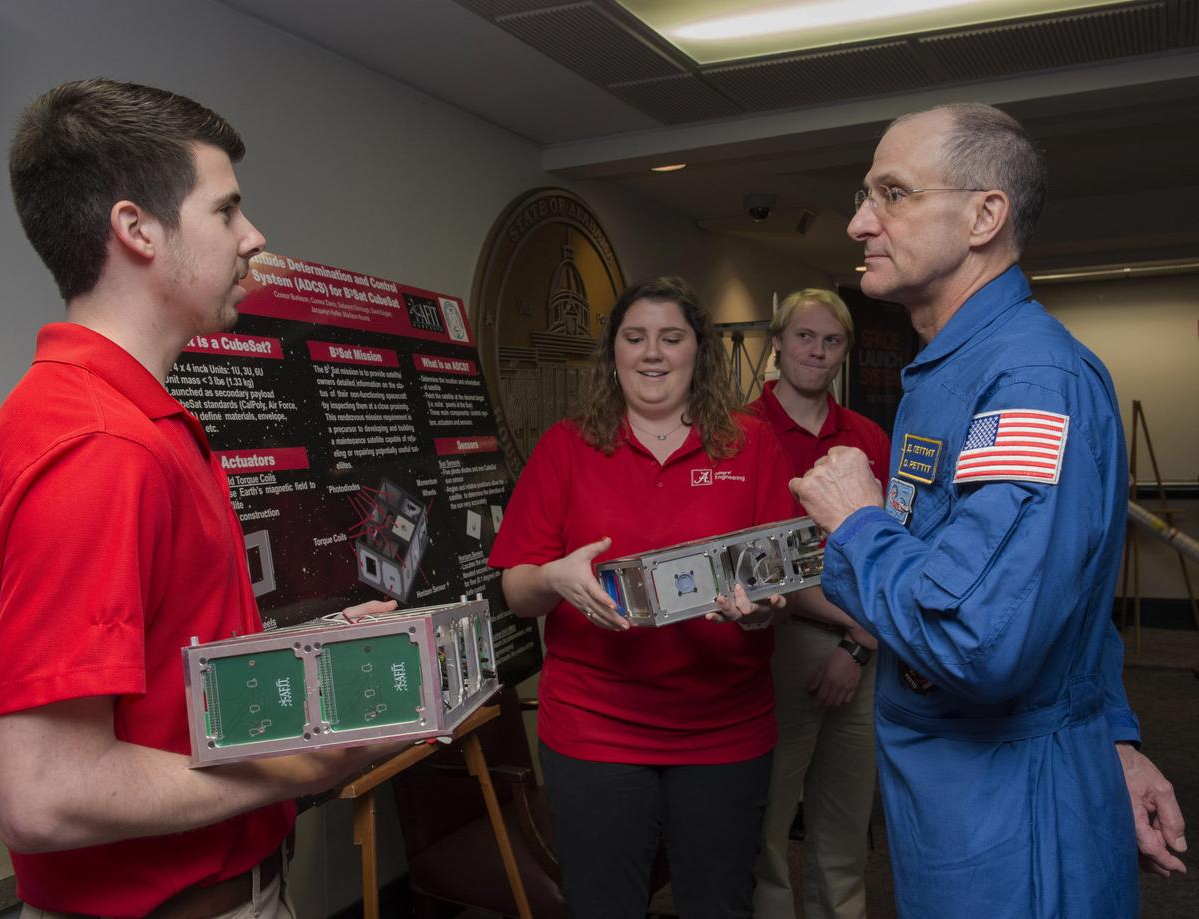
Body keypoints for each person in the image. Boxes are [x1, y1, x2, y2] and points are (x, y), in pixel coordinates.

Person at [0, 79, 398, 918]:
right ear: (137, 230)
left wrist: (310, 657)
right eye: (226, 211)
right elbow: (47, 791)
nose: (254, 236)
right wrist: (311, 762)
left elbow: (166, 682)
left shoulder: (134, 420)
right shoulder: (98, 448)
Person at [790, 102, 1187, 917]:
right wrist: (1116, 734)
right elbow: (1068, 591)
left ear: (984, 215)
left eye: (891, 194)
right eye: (865, 195)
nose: (861, 222)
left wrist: (859, 521)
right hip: (952, 796)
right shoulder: (948, 374)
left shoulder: (1029, 384)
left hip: (1011, 807)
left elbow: (980, 639)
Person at [488, 276, 798, 919]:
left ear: (698, 352)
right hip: (595, 727)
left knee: (720, 905)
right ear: (613, 353)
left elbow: (777, 581)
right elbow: (517, 593)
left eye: (670, 337)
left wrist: (761, 609)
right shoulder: (565, 448)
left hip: (725, 730)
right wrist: (552, 579)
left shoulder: (750, 444)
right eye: (635, 337)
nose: (652, 353)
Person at [748, 289, 889, 919]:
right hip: (777, 640)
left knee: (844, 823)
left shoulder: (867, 439)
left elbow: (894, 553)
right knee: (767, 824)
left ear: (844, 353)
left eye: (832, 341)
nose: (817, 351)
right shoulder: (737, 434)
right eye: (805, 336)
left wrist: (859, 646)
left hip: (867, 646)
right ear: (776, 342)